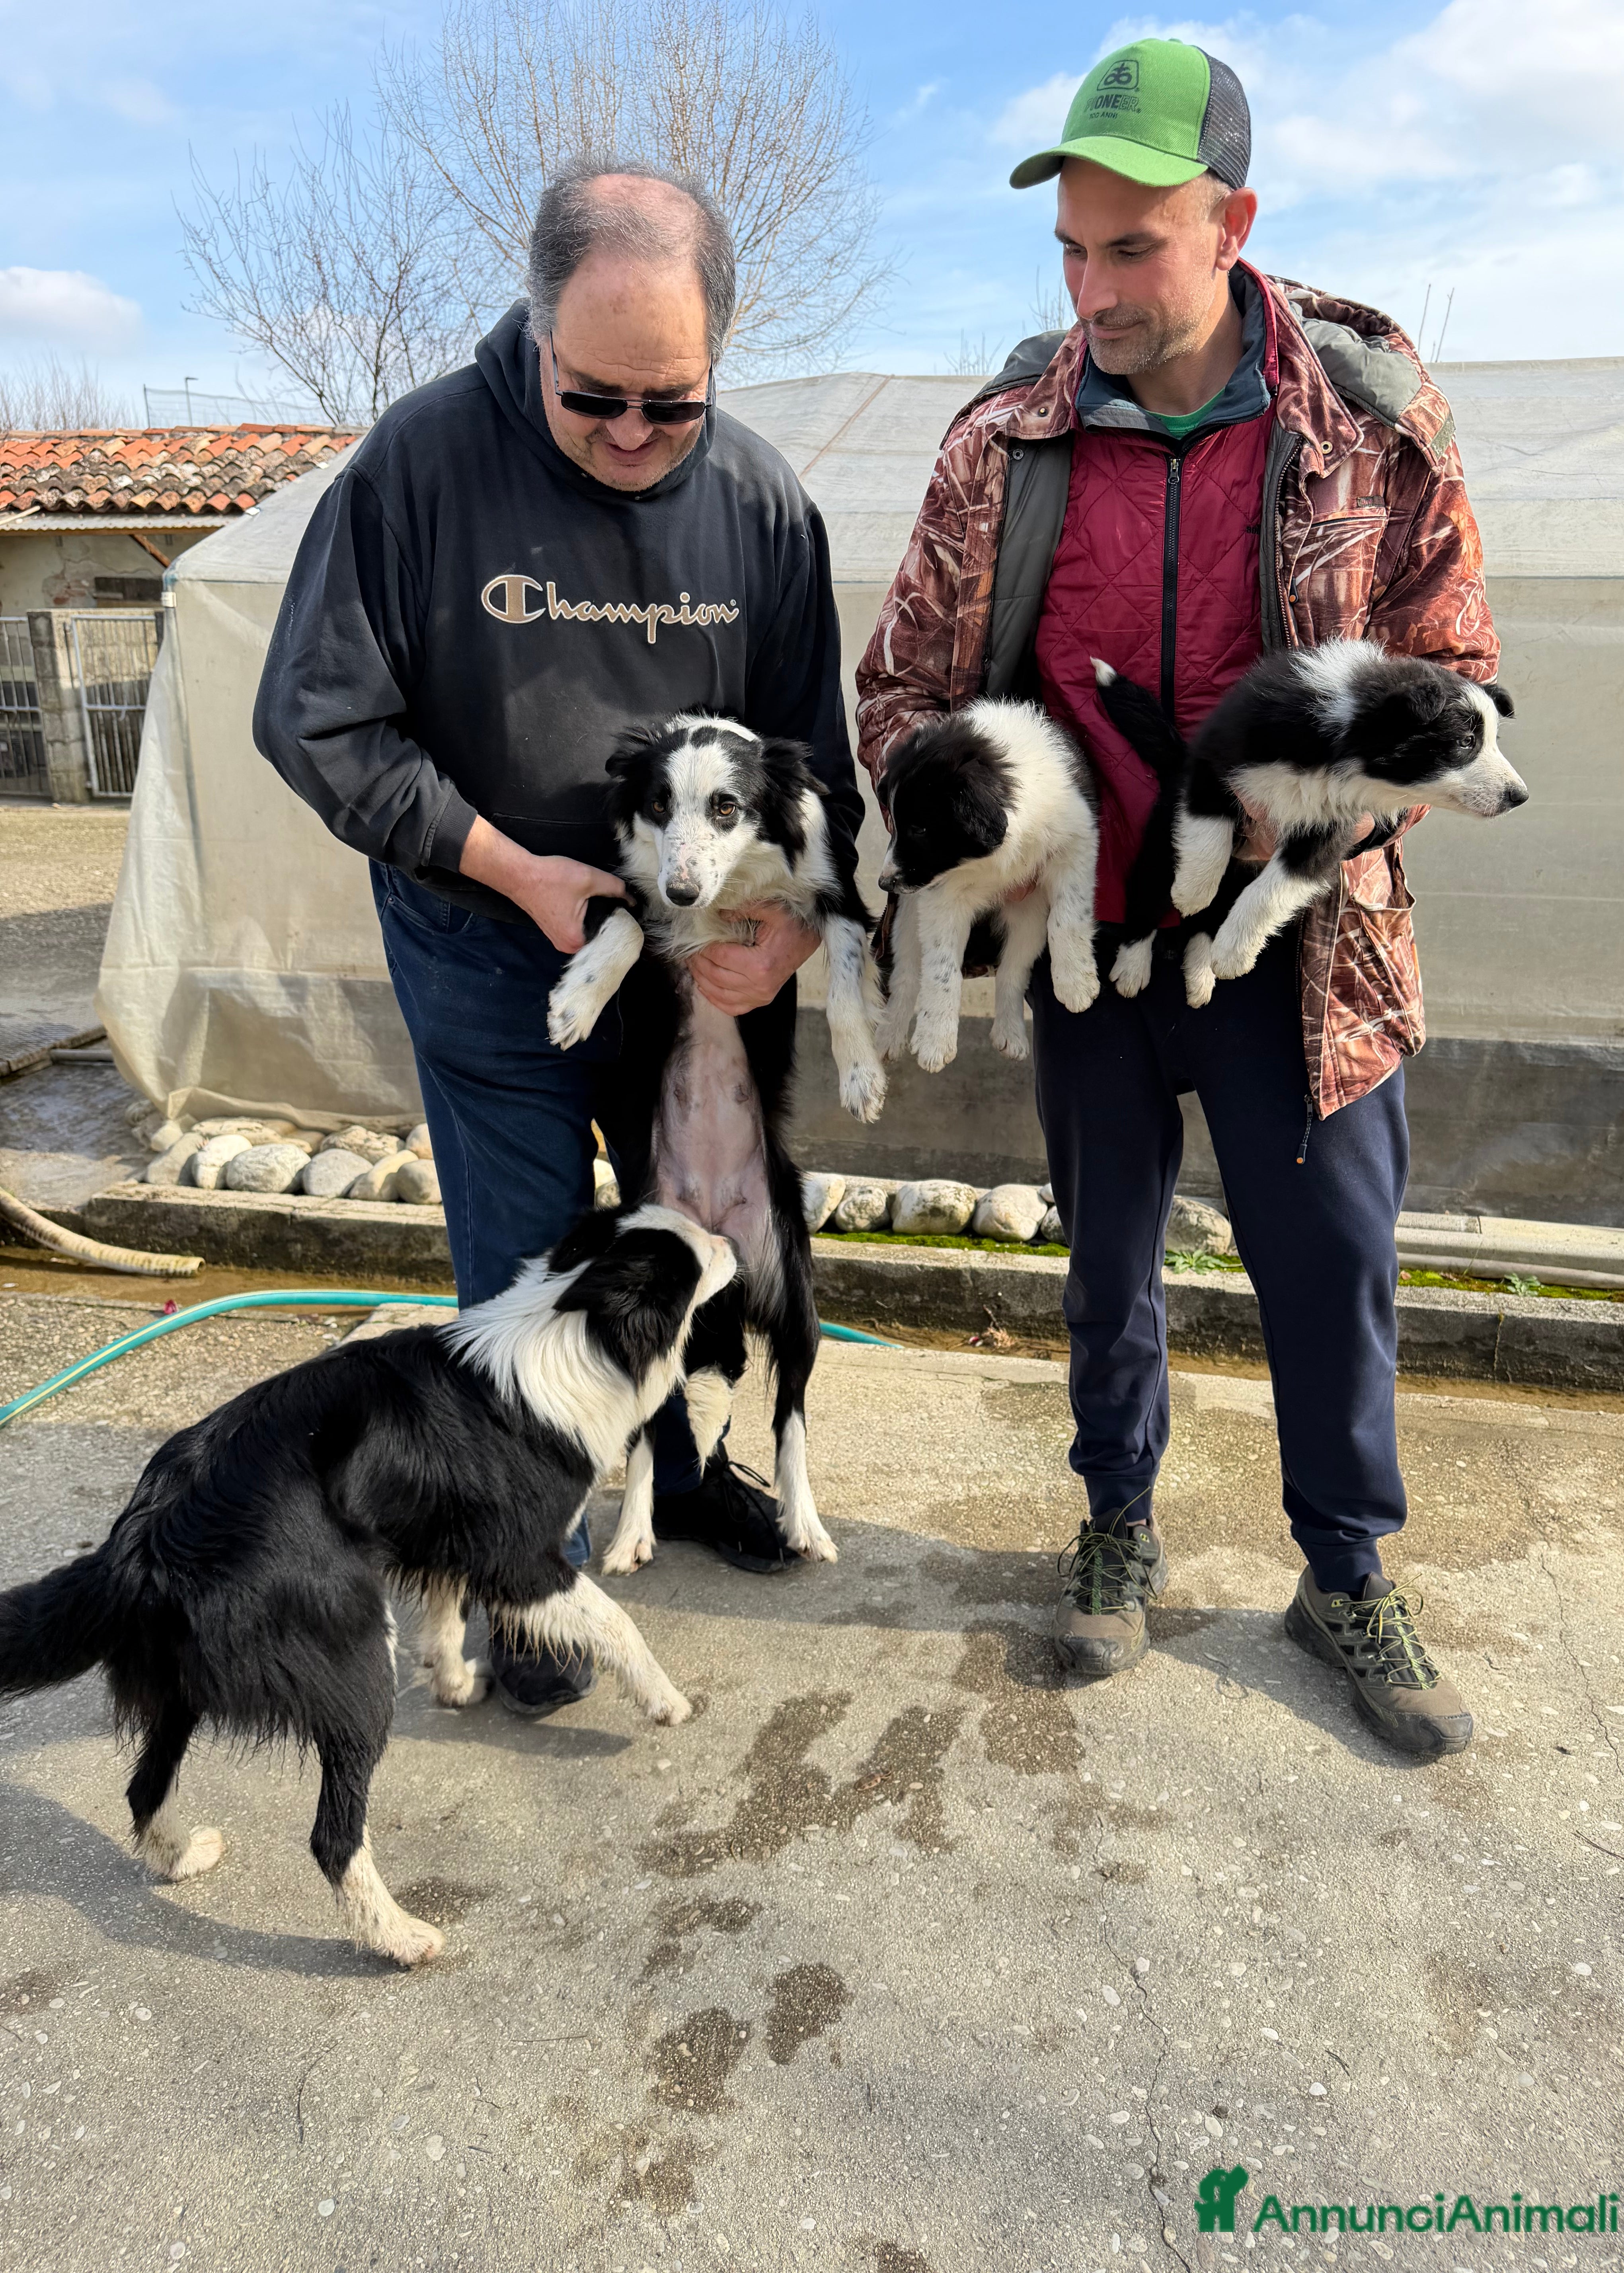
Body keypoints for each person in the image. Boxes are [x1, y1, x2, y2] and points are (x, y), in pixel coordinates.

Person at [856, 39, 1500, 1756]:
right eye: (1070, 250)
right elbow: (899, 689)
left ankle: (1345, 1568)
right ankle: (1115, 1524)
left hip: (1302, 949)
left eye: (1132, 248)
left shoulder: (1367, 423)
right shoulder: (1003, 444)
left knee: (1333, 1265)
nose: (1094, 291)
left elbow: (1457, 672)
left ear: (1236, 223)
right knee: (1107, 1262)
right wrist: (979, 826)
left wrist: (1323, 829)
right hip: (1089, 948)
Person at [256, 158, 861, 1715]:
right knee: (530, 1272)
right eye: (598, 400)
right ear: (535, 333)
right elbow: (313, 718)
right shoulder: (420, 470)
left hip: (693, 962)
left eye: (675, 403)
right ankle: (519, 1559)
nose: (636, 438)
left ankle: (684, 1465)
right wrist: (502, 862)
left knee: (697, 1239)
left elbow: (819, 772)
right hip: (484, 934)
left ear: (721, 353)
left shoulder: (763, 506)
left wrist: (784, 939)